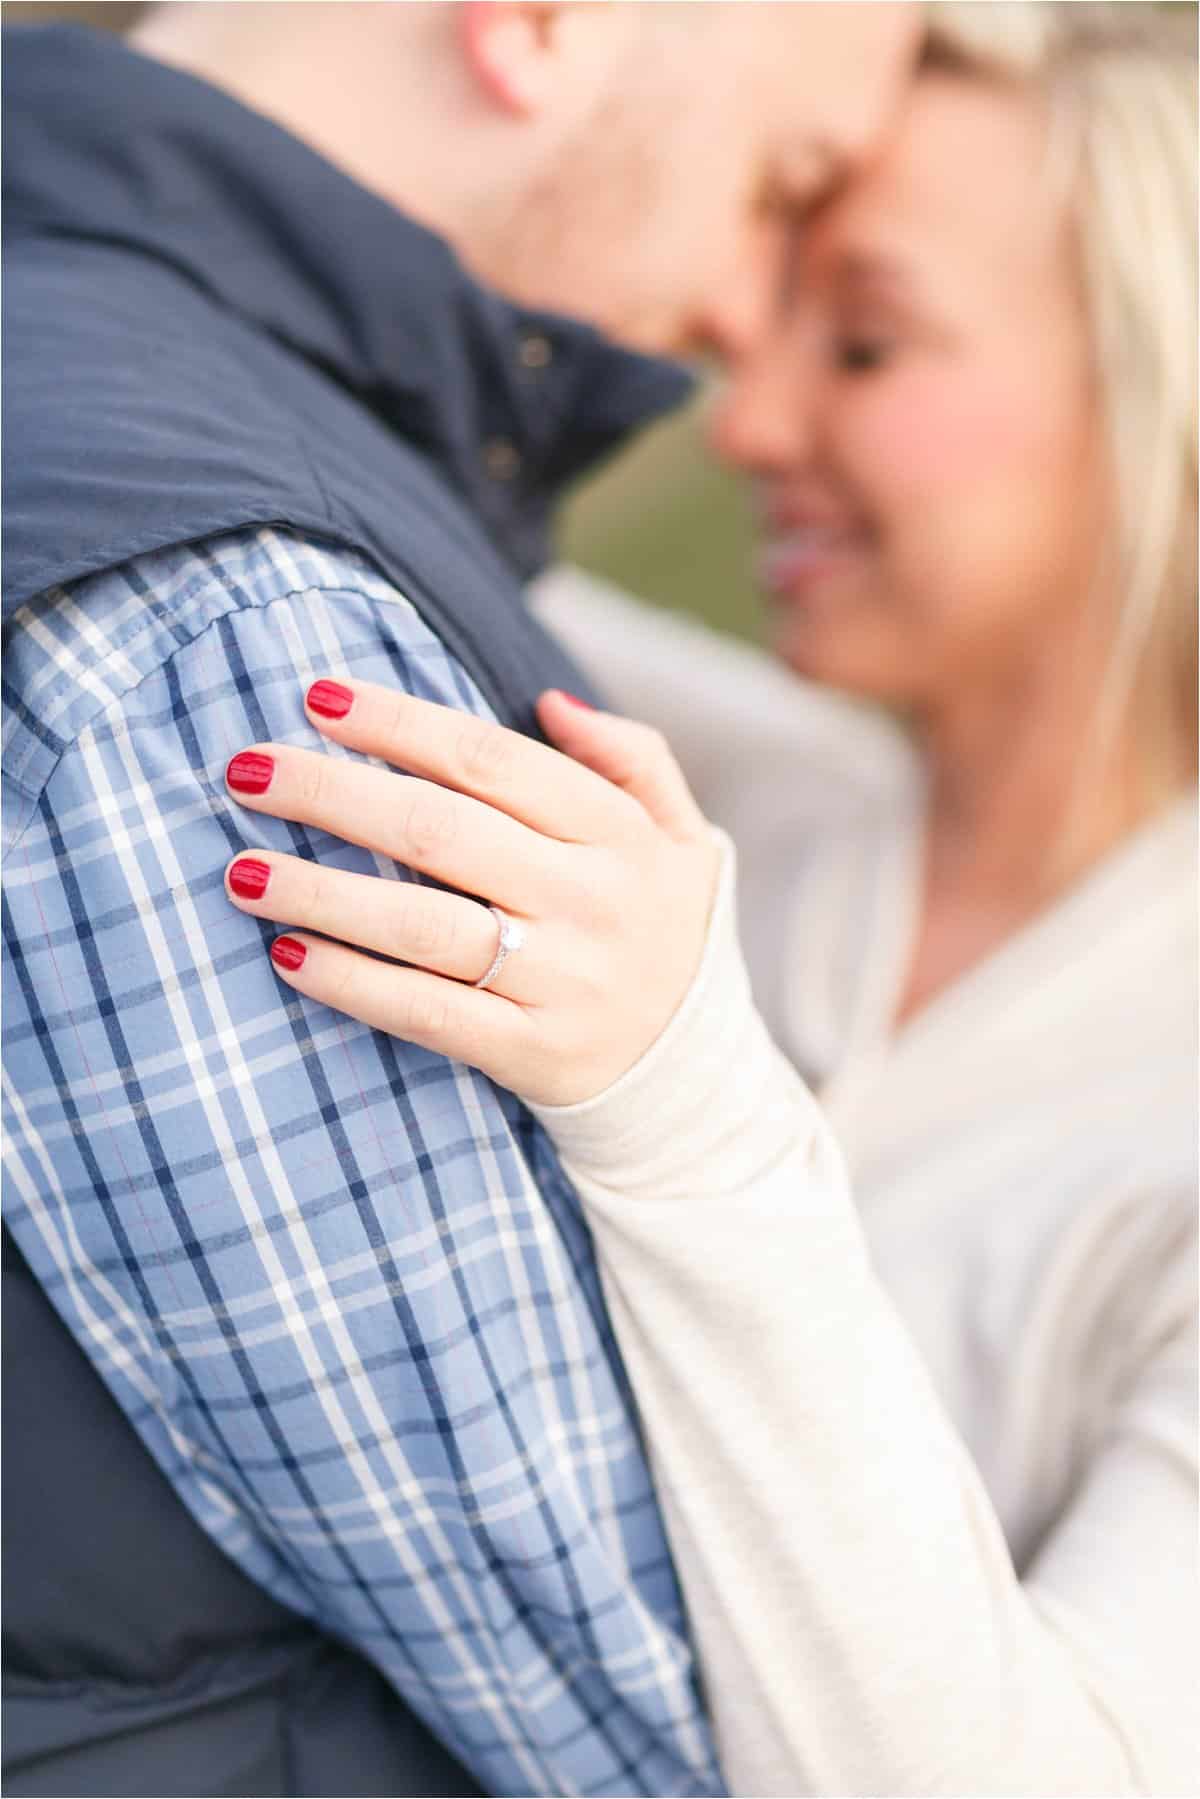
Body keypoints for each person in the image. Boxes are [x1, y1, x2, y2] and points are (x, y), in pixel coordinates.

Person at [219, 4, 1198, 1794]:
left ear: (1160, 381)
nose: (744, 420)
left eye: (870, 344)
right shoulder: (736, 786)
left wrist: (685, 1117)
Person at [0, 5, 919, 1796]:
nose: (742, 320)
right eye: (774, 180)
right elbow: (635, 1706)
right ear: (539, 26)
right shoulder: (231, 614)